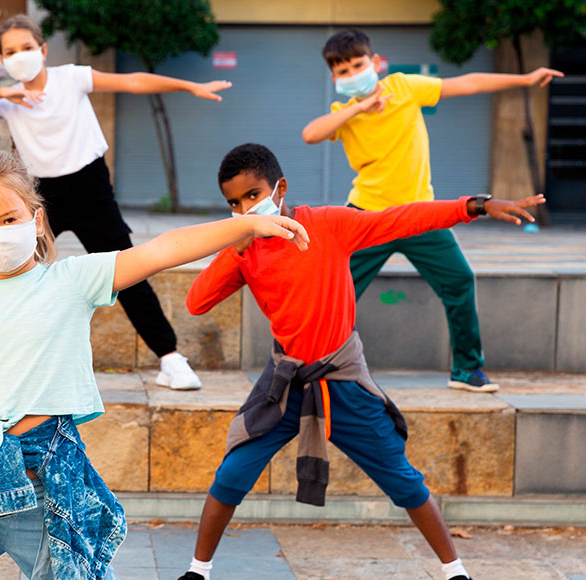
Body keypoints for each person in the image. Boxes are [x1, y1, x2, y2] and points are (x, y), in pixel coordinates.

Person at [0, 150, 309, 579]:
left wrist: (247, 225)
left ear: (36, 220)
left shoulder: (73, 280)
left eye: (8, 219)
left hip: (46, 488)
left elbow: (162, 250)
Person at [175, 143, 543, 580]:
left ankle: (455, 571)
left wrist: (476, 205)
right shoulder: (246, 249)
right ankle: (198, 572)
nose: (245, 208)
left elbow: (402, 219)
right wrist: (236, 244)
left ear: (280, 188)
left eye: (253, 196)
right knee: (232, 474)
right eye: (234, 203)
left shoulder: (329, 224)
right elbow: (196, 302)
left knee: (403, 481)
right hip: (285, 383)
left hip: (343, 382)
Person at [0, 14, 234, 390]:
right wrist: (1, 92)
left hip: (90, 188)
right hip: (39, 196)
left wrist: (188, 85)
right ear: (2, 60)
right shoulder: (8, 100)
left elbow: (131, 81)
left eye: (27, 48)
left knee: (128, 269)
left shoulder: (71, 77)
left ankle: (170, 357)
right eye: (10, 52)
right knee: (9, 266)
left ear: (43, 49)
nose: (19, 56)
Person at [302, 29, 563, 392]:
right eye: (342, 71)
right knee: (336, 292)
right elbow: (310, 134)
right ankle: (315, 365)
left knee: (459, 280)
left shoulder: (403, 87)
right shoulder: (342, 113)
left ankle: (466, 370)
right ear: (334, 78)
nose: (351, 74)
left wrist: (525, 78)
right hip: (367, 217)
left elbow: (468, 83)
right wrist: (359, 107)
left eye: (358, 65)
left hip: (421, 216)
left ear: (375, 63)